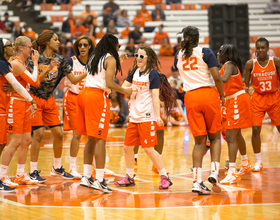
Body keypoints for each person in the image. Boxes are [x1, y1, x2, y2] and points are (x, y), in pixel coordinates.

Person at [28, 30, 87, 183]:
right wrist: (47, 69)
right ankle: (33, 170)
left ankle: (56, 168)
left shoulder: (60, 59)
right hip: (34, 99)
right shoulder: (35, 58)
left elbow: (73, 80)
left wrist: (88, 71)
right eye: (55, 39)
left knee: (59, 135)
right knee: (39, 135)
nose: (58, 42)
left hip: (50, 99)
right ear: (47, 42)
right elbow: (33, 81)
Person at [77, 33, 133, 193]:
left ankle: (86, 176)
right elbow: (108, 83)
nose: (119, 49)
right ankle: (100, 180)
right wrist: (125, 90)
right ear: (113, 46)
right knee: (101, 138)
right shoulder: (110, 59)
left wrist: (118, 61)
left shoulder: (95, 56)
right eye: (118, 46)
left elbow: (100, 74)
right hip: (96, 96)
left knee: (91, 138)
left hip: (84, 94)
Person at [114, 45, 174, 190]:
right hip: (134, 117)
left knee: (148, 149)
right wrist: (126, 88)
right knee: (127, 148)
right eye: (136, 55)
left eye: (141, 56)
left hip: (147, 116)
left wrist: (158, 115)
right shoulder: (134, 72)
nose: (138, 58)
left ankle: (164, 176)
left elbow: (154, 96)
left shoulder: (152, 74)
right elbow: (124, 88)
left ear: (148, 58)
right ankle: (129, 177)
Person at [176, 26, 225, 195]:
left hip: (190, 97)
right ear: (198, 39)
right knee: (215, 137)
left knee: (198, 142)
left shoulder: (179, 55)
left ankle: (197, 181)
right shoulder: (206, 52)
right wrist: (223, 95)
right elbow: (217, 77)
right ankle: (214, 172)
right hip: (208, 94)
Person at [0, 36, 39, 188]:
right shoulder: (15, 63)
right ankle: (2, 176)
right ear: (21, 47)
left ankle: (20, 174)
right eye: (30, 46)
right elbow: (34, 82)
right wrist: (36, 63)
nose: (32, 49)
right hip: (15, 104)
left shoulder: (20, 63)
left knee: (26, 140)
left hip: (24, 104)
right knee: (14, 141)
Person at [218, 44, 253, 184]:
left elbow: (225, 79)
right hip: (233, 100)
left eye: (220, 51)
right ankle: (245, 163)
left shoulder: (229, 64)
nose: (217, 53)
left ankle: (232, 172)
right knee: (237, 135)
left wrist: (211, 76)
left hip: (237, 100)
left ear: (226, 54)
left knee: (231, 136)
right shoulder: (228, 64)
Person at [244, 37, 280, 172]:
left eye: (263, 47)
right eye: (257, 48)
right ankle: (258, 161)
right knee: (255, 130)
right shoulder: (250, 64)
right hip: (258, 98)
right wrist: (247, 94)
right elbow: (245, 85)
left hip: (274, 97)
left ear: (268, 48)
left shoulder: (275, 61)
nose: (260, 50)